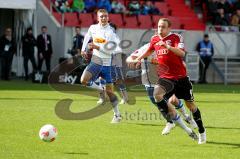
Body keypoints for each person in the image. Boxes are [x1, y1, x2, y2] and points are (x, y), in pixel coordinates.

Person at [133, 18, 206, 144]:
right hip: (166, 77)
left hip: (180, 77)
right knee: (157, 95)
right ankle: (170, 121)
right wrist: (139, 58)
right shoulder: (154, 39)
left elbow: (182, 54)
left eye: (163, 27)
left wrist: (167, 46)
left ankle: (202, 131)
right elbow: (150, 50)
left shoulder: (176, 37)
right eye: (159, 26)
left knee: (191, 106)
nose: (160, 29)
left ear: (169, 28)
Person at [127, 43, 197, 135]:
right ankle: (171, 122)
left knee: (173, 100)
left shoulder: (166, 49)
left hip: (164, 80)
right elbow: (129, 58)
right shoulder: (145, 48)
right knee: (161, 105)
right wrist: (134, 61)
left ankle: (185, 117)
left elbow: (179, 62)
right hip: (149, 83)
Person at [79, 9, 122, 123]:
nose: (103, 18)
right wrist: (83, 49)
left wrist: (97, 47)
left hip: (108, 65)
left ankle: (117, 115)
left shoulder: (111, 32)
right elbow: (86, 37)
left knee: (110, 93)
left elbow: (110, 52)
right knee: (83, 80)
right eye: (101, 16)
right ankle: (100, 90)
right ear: (97, 18)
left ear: (108, 18)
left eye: (105, 16)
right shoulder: (93, 28)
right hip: (96, 61)